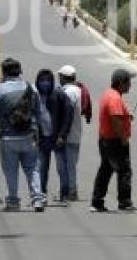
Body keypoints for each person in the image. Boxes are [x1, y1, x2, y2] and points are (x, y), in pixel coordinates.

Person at [0, 58, 47, 212]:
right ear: (19, 71)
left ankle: (13, 202)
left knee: (10, 170)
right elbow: (38, 112)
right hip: (29, 136)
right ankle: (37, 200)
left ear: (3, 72)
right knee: (32, 169)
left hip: (8, 137)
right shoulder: (31, 88)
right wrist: (36, 130)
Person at [91, 68, 137, 213]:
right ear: (121, 83)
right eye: (128, 82)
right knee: (124, 171)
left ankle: (97, 201)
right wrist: (123, 138)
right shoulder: (115, 98)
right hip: (115, 141)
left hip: (105, 140)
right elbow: (115, 120)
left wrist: (127, 117)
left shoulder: (109, 95)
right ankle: (124, 202)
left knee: (105, 170)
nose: (130, 85)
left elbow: (117, 116)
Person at [35, 68, 72, 205]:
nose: (45, 83)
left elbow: (68, 115)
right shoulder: (34, 96)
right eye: (42, 80)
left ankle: (64, 196)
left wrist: (63, 135)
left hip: (57, 138)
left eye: (48, 80)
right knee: (42, 169)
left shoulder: (59, 95)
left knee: (62, 168)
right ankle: (42, 195)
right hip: (42, 138)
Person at [57, 65, 83, 202]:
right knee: (71, 164)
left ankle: (69, 191)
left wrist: (61, 133)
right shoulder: (79, 91)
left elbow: (66, 113)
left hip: (65, 135)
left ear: (62, 77)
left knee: (63, 166)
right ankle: (68, 190)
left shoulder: (67, 92)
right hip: (76, 134)